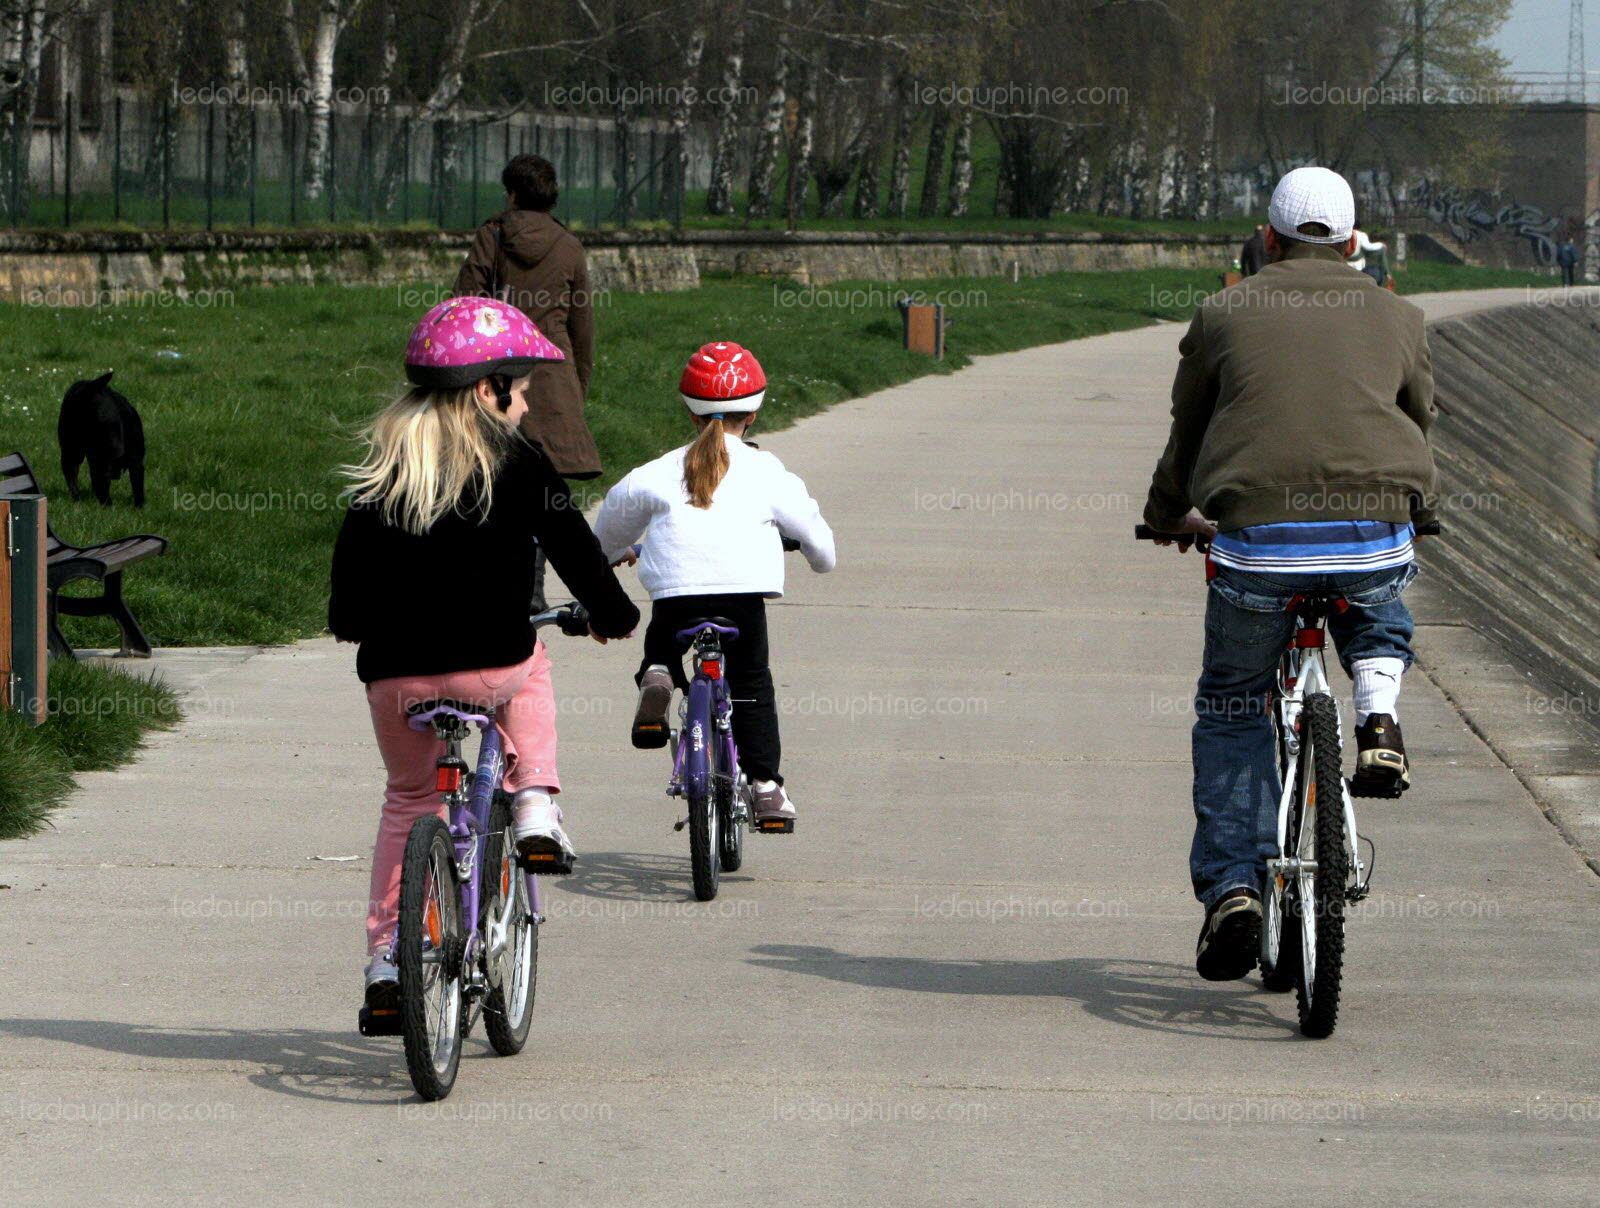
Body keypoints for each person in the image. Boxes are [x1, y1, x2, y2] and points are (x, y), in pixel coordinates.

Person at [1142, 166, 1438, 983]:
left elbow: (1189, 429)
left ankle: (1235, 886)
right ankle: (1377, 717)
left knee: (1234, 705)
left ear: (1267, 240)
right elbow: (1418, 423)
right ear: (1352, 243)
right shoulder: (1401, 316)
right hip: (1371, 532)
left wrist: (1167, 513)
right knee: (1377, 594)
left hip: (1259, 545)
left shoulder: (1224, 313)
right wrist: (1423, 508)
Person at [329, 296, 639, 1009]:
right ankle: (533, 803)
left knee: (409, 801)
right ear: (487, 389)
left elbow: (346, 597)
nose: (526, 406)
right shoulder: (521, 464)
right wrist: (615, 617)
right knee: (531, 669)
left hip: (396, 680)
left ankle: (388, 962)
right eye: (521, 390)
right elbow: (578, 554)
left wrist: (359, 626)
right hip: (491, 666)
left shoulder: (387, 471)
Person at [594, 341, 836, 831]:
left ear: (689, 410)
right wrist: (816, 559)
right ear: (755, 412)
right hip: (741, 598)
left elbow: (607, 529)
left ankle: (658, 674)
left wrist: (615, 552)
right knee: (750, 684)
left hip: (676, 596)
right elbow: (820, 545)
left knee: (663, 644)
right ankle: (765, 787)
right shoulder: (766, 470)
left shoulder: (657, 471)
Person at [455, 154, 600, 611]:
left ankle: (489, 580)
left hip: (497, 369)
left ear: (512, 193)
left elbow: (464, 302)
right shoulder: (569, 246)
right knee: (543, 487)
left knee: (489, 479)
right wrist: (576, 386)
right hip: (553, 372)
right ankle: (533, 588)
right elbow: (582, 326)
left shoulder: (493, 235)